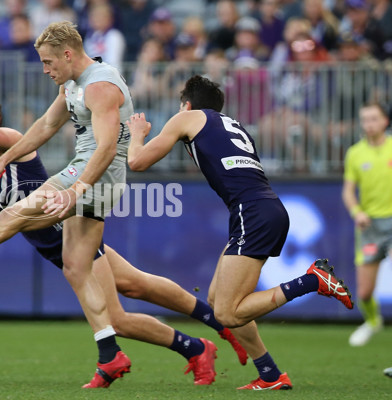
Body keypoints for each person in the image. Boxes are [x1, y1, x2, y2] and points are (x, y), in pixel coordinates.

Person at [0, 23, 235, 388]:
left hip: (94, 175)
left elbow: (107, 147)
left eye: (48, 62)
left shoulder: (100, 85)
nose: (45, 69)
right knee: (90, 275)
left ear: (67, 53)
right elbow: (46, 124)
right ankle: (119, 354)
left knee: (13, 218)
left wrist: (75, 189)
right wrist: (3, 160)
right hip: (87, 175)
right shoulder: (72, 85)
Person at [126, 74, 355, 390]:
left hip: (253, 213)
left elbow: (136, 161)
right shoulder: (231, 125)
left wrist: (137, 133)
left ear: (187, 105)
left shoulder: (188, 117)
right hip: (261, 209)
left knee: (228, 313)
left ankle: (312, 280)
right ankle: (271, 374)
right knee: (217, 299)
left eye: (181, 107)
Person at [342, 102, 391, 347]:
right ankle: (373, 321)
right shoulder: (355, 153)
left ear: (385, 121)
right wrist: (357, 211)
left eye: (374, 118)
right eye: (365, 119)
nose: (369, 124)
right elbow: (348, 191)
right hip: (369, 225)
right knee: (364, 293)